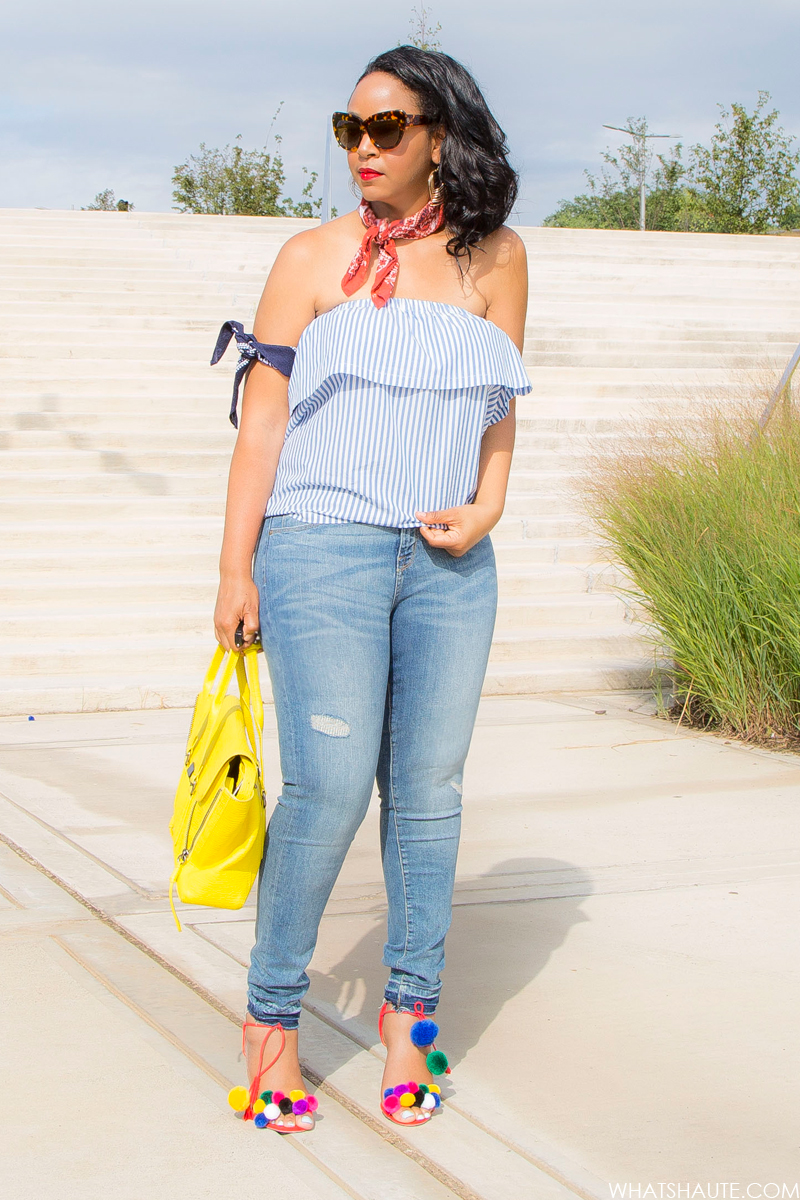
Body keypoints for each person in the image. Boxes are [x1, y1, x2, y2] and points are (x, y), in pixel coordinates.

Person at [213, 44, 530, 1133]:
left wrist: (488, 504)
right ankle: (270, 1024)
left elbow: (500, 404)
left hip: (449, 563)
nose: (362, 147)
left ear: (439, 134)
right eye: (350, 128)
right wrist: (234, 568)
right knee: (329, 788)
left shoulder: (495, 259)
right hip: (322, 550)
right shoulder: (309, 257)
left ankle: (409, 1024)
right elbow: (260, 422)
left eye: (385, 128)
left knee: (430, 797)